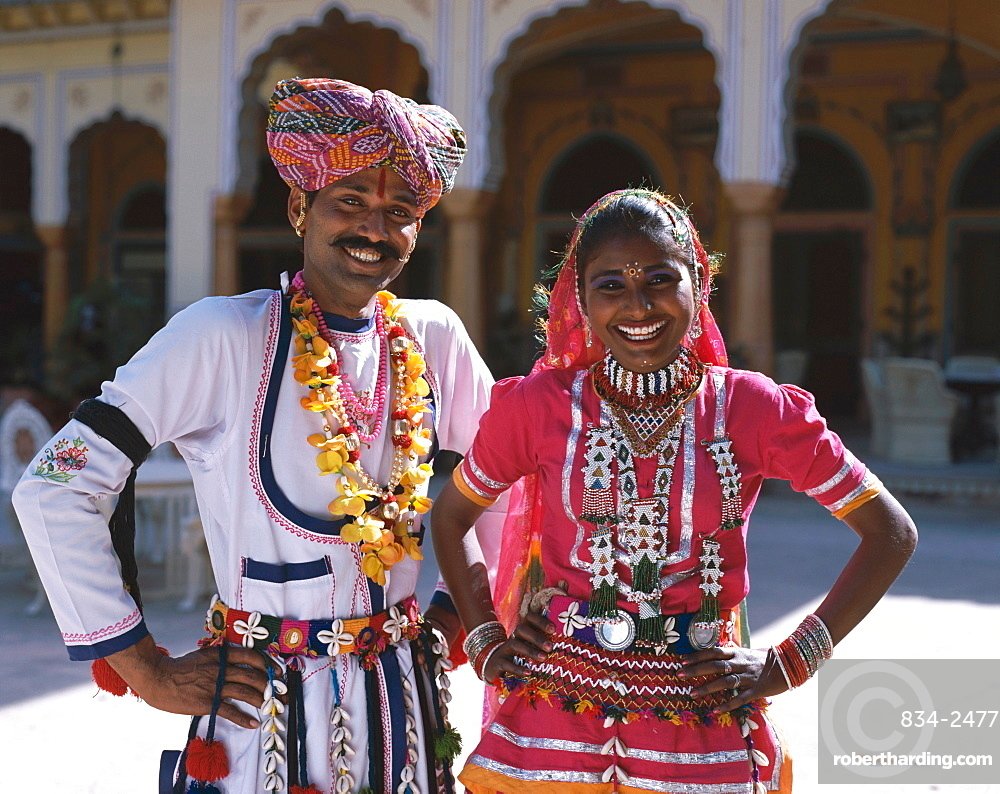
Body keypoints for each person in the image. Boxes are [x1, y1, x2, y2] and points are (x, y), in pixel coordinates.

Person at [13, 77, 502, 794]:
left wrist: (460, 615)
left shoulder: (434, 337)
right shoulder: (223, 335)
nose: (374, 229)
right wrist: (144, 670)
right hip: (261, 725)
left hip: (405, 712)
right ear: (300, 206)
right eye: (350, 202)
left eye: (400, 211)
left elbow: (513, 484)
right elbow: (55, 485)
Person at [431, 188, 918, 793]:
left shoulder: (753, 407)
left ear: (699, 284)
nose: (637, 306)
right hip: (551, 724)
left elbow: (891, 533)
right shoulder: (537, 407)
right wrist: (482, 636)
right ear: (580, 298)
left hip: (699, 716)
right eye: (610, 286)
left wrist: (789, 661)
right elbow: (450, 517)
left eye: (660, 280)